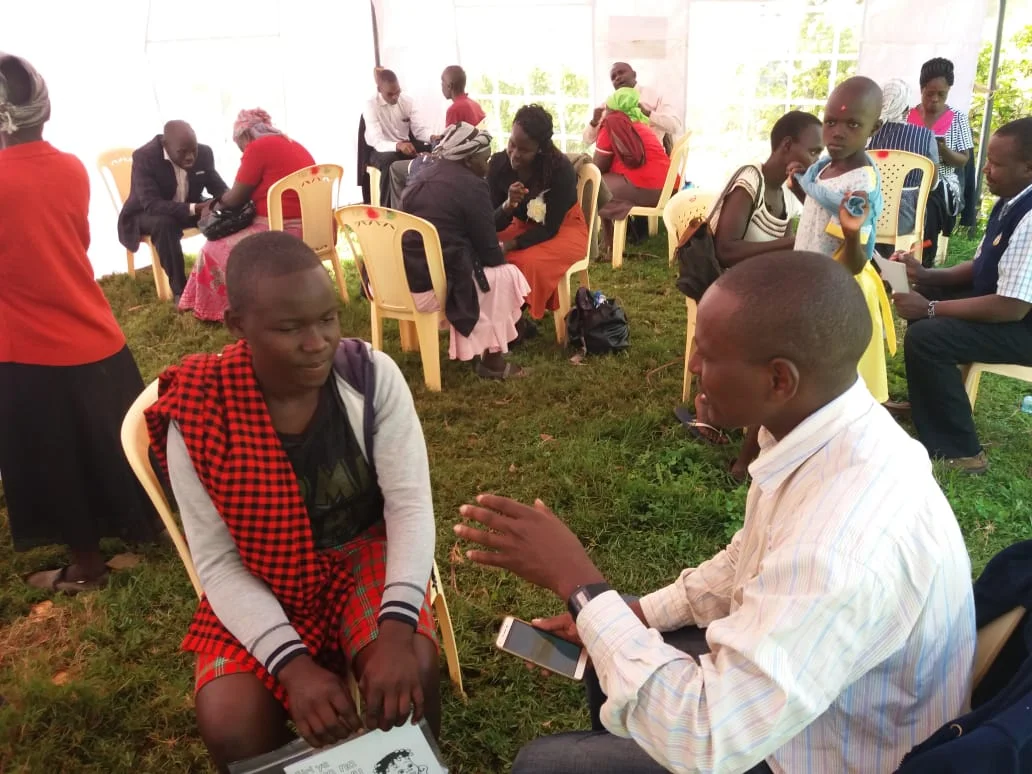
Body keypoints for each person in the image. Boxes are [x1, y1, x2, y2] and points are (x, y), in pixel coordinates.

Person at [455, 251, 976, 774]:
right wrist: (635, 614)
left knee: (543, 766)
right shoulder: (822, 431)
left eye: (707, 355)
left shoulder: (842, 543)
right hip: (822, 708)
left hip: (837, 753)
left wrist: (577, 581)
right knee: (610, 653)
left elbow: (708, 737)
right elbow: (749, 557)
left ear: (779, 380)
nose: (691, 367)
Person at [145, 232, 441, 772]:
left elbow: (409, 509)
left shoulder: (369, 377)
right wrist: (292, 666)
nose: (317, 342)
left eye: (328, 319)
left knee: (412, 668)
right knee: (229, 720)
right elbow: (219, 562)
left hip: (361, 552)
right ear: (237, 325)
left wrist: (397, 633)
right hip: (260, 576)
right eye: (289, 328)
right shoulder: (199, 413)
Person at [0, 52, 159, 592]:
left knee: (56, 460)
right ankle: (146, 529)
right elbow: (73, 242)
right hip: (98, 338)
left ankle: (88, 568)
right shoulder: (70, 168)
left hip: (29, 350)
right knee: (111, 446)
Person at [683, 110, 823, 480]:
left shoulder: (788, 197)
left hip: (756, 288)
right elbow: (726, 249)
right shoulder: (751, 180)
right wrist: (792, 242)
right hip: (725, 288)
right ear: (787, 145)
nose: (817, 160)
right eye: (812, 151)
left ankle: (750, 419)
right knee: (779, 341)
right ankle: (736, 433)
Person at [889, 118, 1032, 475]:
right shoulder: (1010, 202)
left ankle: (962, 452)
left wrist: (930, 309)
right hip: (1008, 309)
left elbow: (1011, 307)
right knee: (927, 293)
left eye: (996, 164)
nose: (985, 169)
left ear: (1028, 168)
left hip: (1022, 327)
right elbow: (981, 265)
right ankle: (932, 406)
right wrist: (926, 276)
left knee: (928, 335)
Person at [793, 77, 895, 404]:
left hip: (835, 287)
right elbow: (821, 213)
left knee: (825, 369)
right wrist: (799, 187)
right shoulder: (825, 168)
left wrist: (852, 235)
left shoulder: (859, 185)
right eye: (831, 122)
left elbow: (856, 262)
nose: (837, 132)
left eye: (852, 124)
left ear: (874, 128)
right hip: (811, 277)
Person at [401, 123, 530, 380]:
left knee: (482, 269)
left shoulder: (422, 172)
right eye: (485, 158)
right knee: (506, 276)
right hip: (430, 290)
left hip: (396, 283)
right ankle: (492, 361)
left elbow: (468, 225)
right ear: (469, 160)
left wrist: (506, 207)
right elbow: (491, 254)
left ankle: (504, 332)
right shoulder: (472, 185)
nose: (489, 164)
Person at [178, 108, 314, 322]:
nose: (242, 152)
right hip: (315, 228)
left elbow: (235, 197)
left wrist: (212, 206)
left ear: (245, 135)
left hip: (280, 230)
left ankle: (219, 310)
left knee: (212, 248)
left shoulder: (258, 147)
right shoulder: (292, 143)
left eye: (239, 144)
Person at [488, 104, 589, 321]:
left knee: (527, 262)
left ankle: (513, 320)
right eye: (512, 144)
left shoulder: (559, 170)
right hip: (520, 225)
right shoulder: (498, 165)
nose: (514, 154)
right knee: (484, 245)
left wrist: (509, 245)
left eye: (524, 150)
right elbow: (490, 222)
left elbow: (550, 227)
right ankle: (500, 317)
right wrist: (507, 206)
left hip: (563, 228)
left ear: (540, 149)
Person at [118, 120, 228, 303]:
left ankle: (227, 274)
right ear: (165, 145)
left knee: (225, 213)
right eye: (182, 152)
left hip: (186, 207)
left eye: (193, 150)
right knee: (164, 223)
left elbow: (219, 189)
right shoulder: (145, 157)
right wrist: (194, 208)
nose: (190, 157)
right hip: (145, 213)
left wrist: (225, 202)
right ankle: (181, 291)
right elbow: (151, 204)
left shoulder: (204, 153)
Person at [387, 65, 487, 206]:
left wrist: (428, 155)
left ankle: (401, 214)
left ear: (449, 86)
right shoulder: (474, 104)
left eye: (442, 82)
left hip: (455, 166)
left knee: (395, 168)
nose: (441, 86)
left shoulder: (455, 109)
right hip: (471, 161)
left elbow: (449, 151)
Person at [908, 58, 974, 267]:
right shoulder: (907, 116)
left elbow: (963, 160)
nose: (935, 99)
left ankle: (924, 264)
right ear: (921, 89)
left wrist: (943, 151)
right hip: (908, 179)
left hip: (942, 182)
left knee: (929, 202)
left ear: (948, 91)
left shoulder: (958, 119)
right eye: (930, 93)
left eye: (941, 94)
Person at [593, 87, 671, 259]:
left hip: (647, 191)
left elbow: (596, 168)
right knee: (604, 183)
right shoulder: (642, 125)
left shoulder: (612, 126)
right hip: (665, 189)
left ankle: (609, 243)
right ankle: (611, 238)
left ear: (612, 108)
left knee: (595, 185)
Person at [868, 78, 939, 244]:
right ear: (907, 109)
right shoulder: (925, 136)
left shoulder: (865, 133)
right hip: (904, 220)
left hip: (865, 213)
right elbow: (932, 184)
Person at [364, 69, 432, 207]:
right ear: (379, 90)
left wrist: (433, 137)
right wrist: (398, 145)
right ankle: (388, 209)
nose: (395, 97)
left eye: (397, 92)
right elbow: (377, 142)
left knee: (432, 150)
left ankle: (425, 204)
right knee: (390, 161)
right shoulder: (370, 105)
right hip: (380, 150)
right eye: (390, 94)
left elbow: (418, 132)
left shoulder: (407, 101)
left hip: (404, 145)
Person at [583, 62, 682, 150]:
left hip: (650, 154)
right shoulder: (608, 105)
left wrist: (648, 114)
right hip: (617, 158)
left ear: (634, 74)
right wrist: (594, 122)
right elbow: (587, 140)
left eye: (621, 72)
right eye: (613, 77)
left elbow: (676, 126)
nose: (617, 78)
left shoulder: (655, 96)